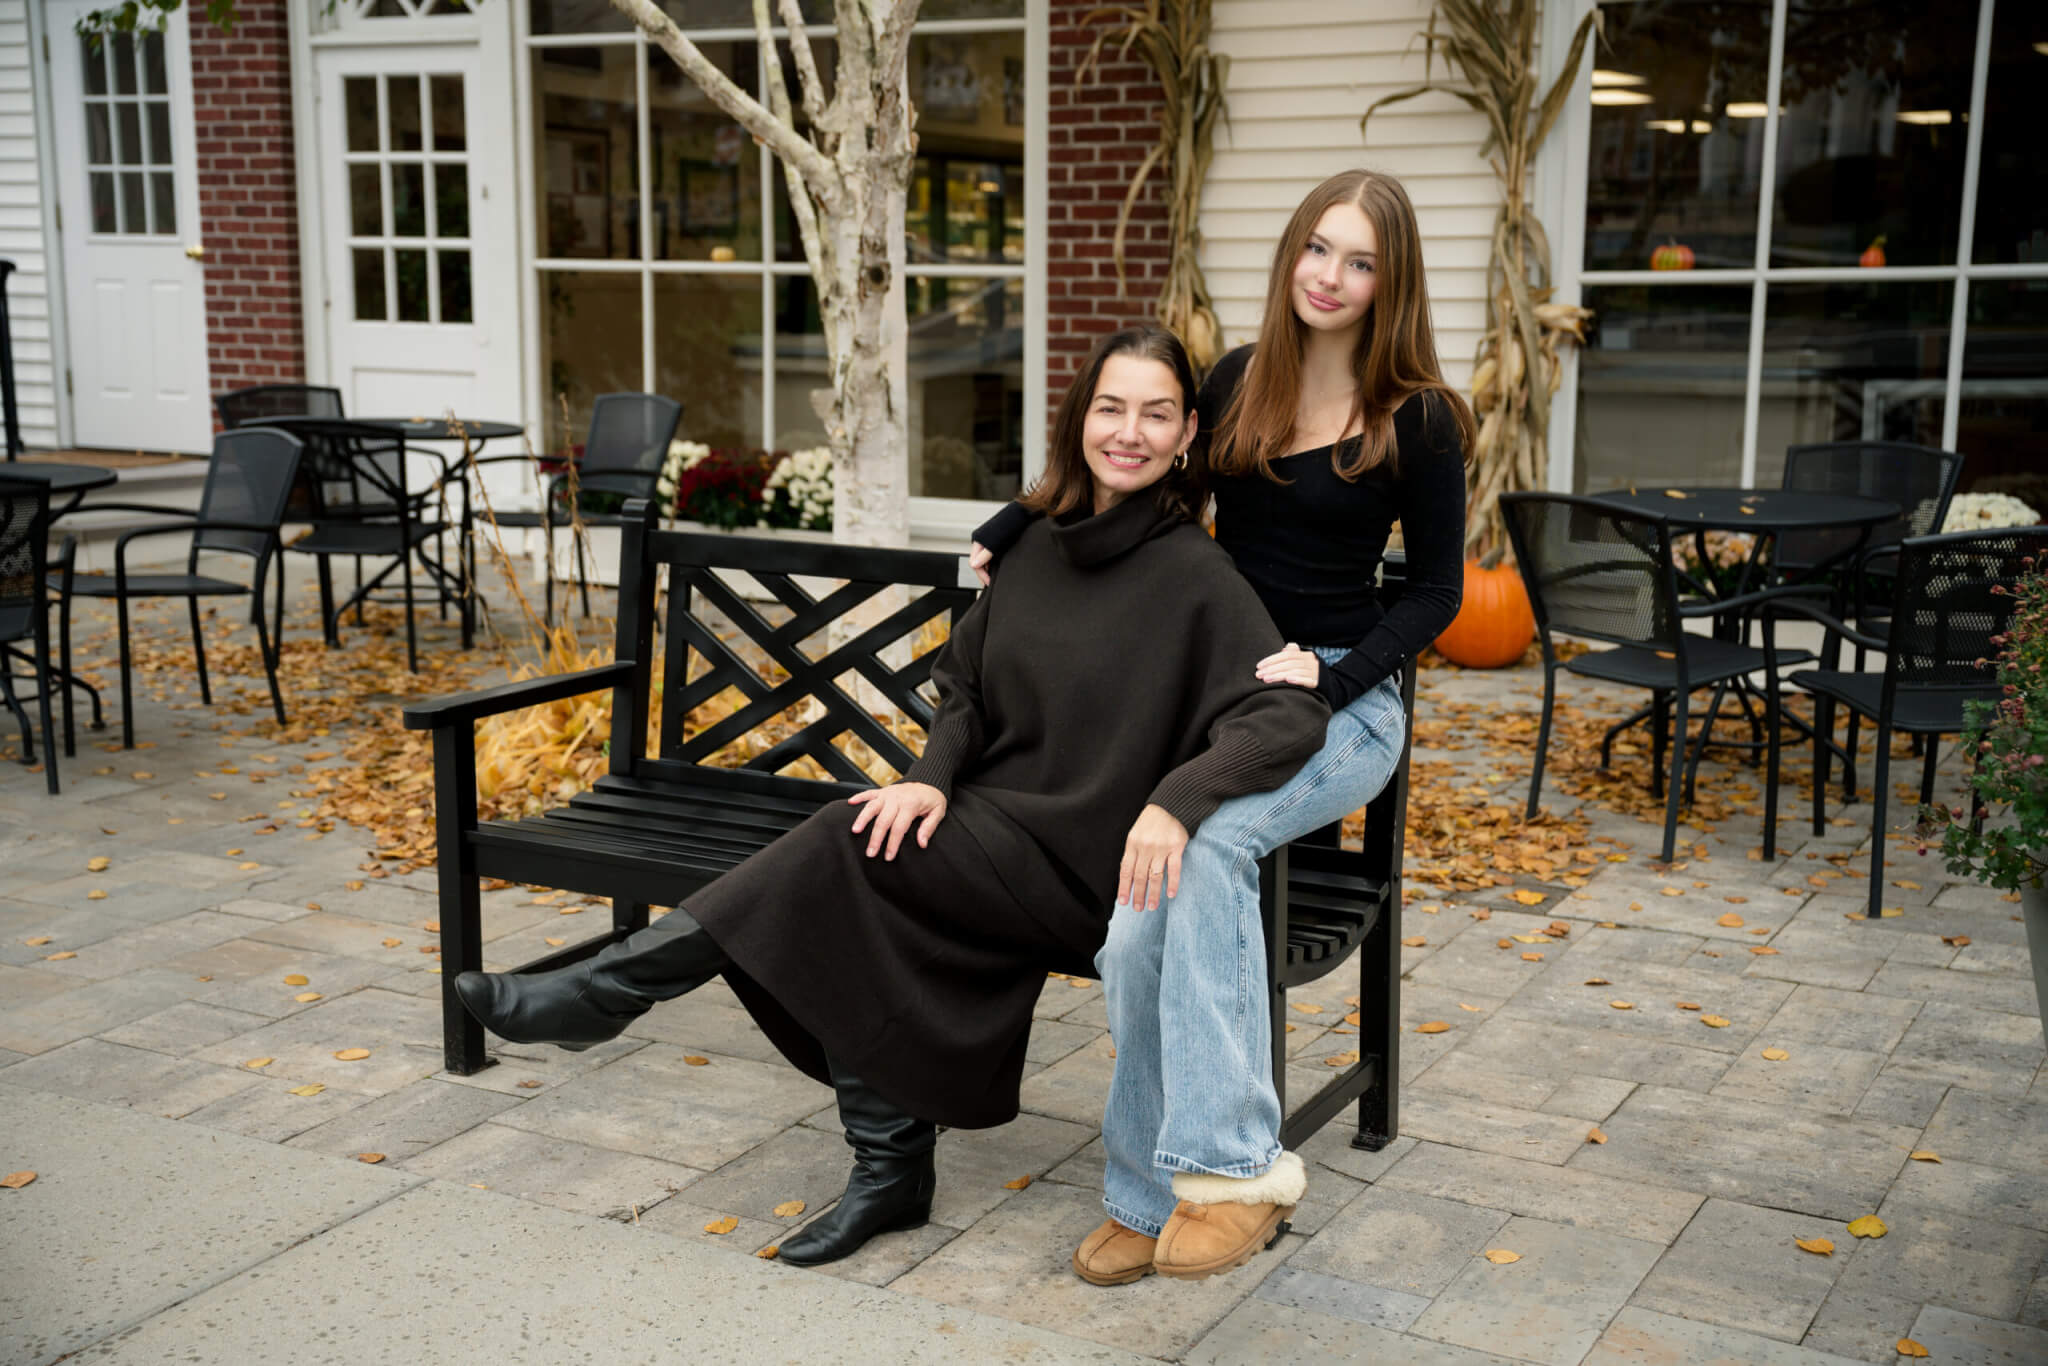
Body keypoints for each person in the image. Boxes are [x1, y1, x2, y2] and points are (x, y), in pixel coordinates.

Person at [453, 325, 1332, 1269]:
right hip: (989, 832)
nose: (1130, 432)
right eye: (1111, 408)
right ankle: (889, 1170)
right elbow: (965, 689)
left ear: (1188, 433)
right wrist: (927, 779)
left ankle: (615, 990)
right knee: (863, 853)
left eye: (1156, 414)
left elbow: (1287, 716)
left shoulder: (1195, 574)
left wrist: (1176, 801)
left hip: (1085, 869)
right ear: (1080, 419)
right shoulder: (1035, 545)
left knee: (842, 848)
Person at [971, 169, 1472, 1286]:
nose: (1329, 277)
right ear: (1291, 252)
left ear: (1390, 282)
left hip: (1345, 704)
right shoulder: (1243, 380)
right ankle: (1144, 1191)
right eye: (1317, 249)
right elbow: (1142, 467)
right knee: (1136, 927)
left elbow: (1437, 592)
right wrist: (1015, 521)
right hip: (1232, 697)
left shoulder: (1420, 415)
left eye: (1359, 261)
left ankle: (1233, 1171)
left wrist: (1335, 678)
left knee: (1208, 844)